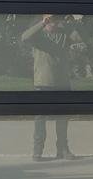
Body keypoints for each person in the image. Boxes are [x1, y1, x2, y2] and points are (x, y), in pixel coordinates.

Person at [20, 14, 79, 161]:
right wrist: (42, 23)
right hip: (43, 84)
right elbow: (24, 37)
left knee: (63, 119)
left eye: (55, 20)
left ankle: (63, 150)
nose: (53, 22)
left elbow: (79, 38)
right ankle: (37, 150)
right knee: (40, 119)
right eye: (50, 20)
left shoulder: (64, 35)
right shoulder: (39, 38)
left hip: (62, 83)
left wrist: (69, 23)